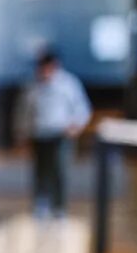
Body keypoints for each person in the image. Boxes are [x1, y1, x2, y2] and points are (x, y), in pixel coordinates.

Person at [17, 49, 92, 218]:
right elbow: (23, 112)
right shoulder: (32, 85)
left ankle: (59, 207)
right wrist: (22, 133)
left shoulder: (69, 84)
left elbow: (82, 109)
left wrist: (76, 126)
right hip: (39, 135)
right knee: (39, 171)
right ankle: (40, 205)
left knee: (59, 171)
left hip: (60, 135)